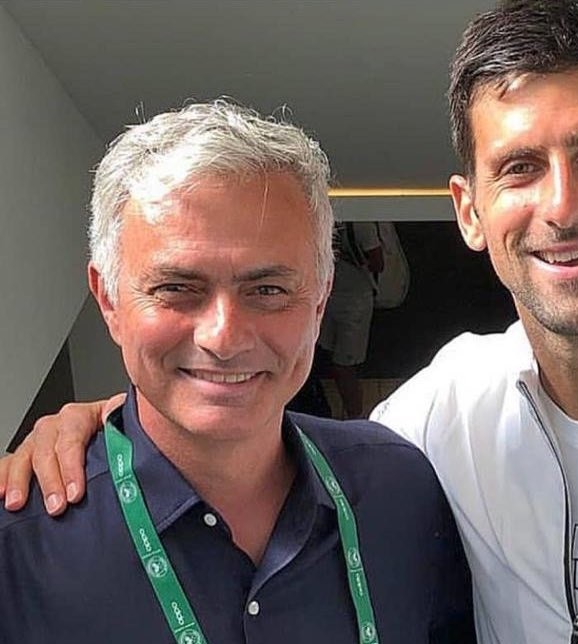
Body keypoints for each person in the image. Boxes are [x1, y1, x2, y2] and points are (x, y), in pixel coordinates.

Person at [2, 2, 578, 642]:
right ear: (468, 210)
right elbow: (234, 414)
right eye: (518, 168)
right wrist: (92, 421)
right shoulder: (441, 414)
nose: (562, 204)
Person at [0, 101, 474, 643]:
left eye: (268, 290)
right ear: (109, 300)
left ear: (320, 302)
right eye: (176, 288)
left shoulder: (401, 491)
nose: (223, 337)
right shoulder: (19, 549)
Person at [317, 221, 384, 418]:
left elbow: (378, 262)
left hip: (348, 301)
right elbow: (378, 263)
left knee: (342, 365)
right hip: (334, 297)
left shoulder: (359, 223)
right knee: (335, 361)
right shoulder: (362, 222)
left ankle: (355, 419)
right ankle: (351, 417)